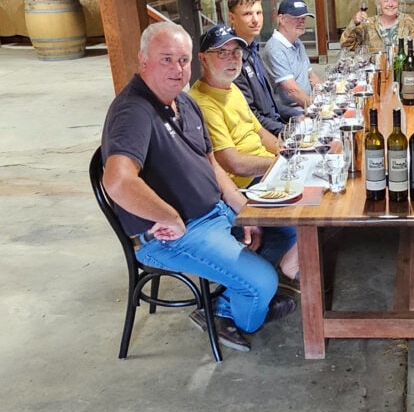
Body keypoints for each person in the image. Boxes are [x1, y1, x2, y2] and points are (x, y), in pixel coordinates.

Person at [100, 21, 296, 353]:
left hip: (215, 213)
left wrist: (242, 210)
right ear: (142, 59)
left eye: (183, 60)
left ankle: (241, 292)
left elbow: (211, 163)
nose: (177, 69)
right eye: (166, 59)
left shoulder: (184, 101)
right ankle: (223, 312)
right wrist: (169, 216)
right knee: (264, 283)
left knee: (284, 230)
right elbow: (117, 181)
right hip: (176, 233)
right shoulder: (133, 111)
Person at [189, 23, 300, 290]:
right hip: (239, 188)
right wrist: (281, 163)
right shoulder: (203, 101)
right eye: (222, 53)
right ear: (203, 58)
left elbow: (259, 131)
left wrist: (289, 152)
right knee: (304, 215)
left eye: (236, 52)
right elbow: (232, 163)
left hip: (262, 175)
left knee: (319, 185)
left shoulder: (230, 87)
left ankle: (288, 266)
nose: (231, 59)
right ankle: (266, 279)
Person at [227, 0, 285, 136]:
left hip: (276, 126)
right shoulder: (233, 60)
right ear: (232, 18)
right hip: (263, 137)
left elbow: (271, 105)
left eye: (258, 13)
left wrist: (300, 119)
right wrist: (286, 131)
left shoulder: (253, 50)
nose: (255, 20)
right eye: (247, 14)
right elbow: (251, 116)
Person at [263, 0, 323, 119]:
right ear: (281, 19)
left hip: (306, 103)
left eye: (303, 18)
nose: (302, 22)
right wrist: (319, 109)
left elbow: (311, 76)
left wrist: (326, 95)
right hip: (293, 113)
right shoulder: (275, 49)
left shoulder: (297, 42)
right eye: (297, 18)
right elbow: (292, 91)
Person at [339, 0, 414, 53]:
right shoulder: (368, 24)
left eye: (394, 1)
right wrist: (354, 24)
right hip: (374, 69)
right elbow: (346, 46)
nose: (390, 4)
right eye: (386, 1)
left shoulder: (407, 22)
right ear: (379, 4)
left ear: (398, 3)